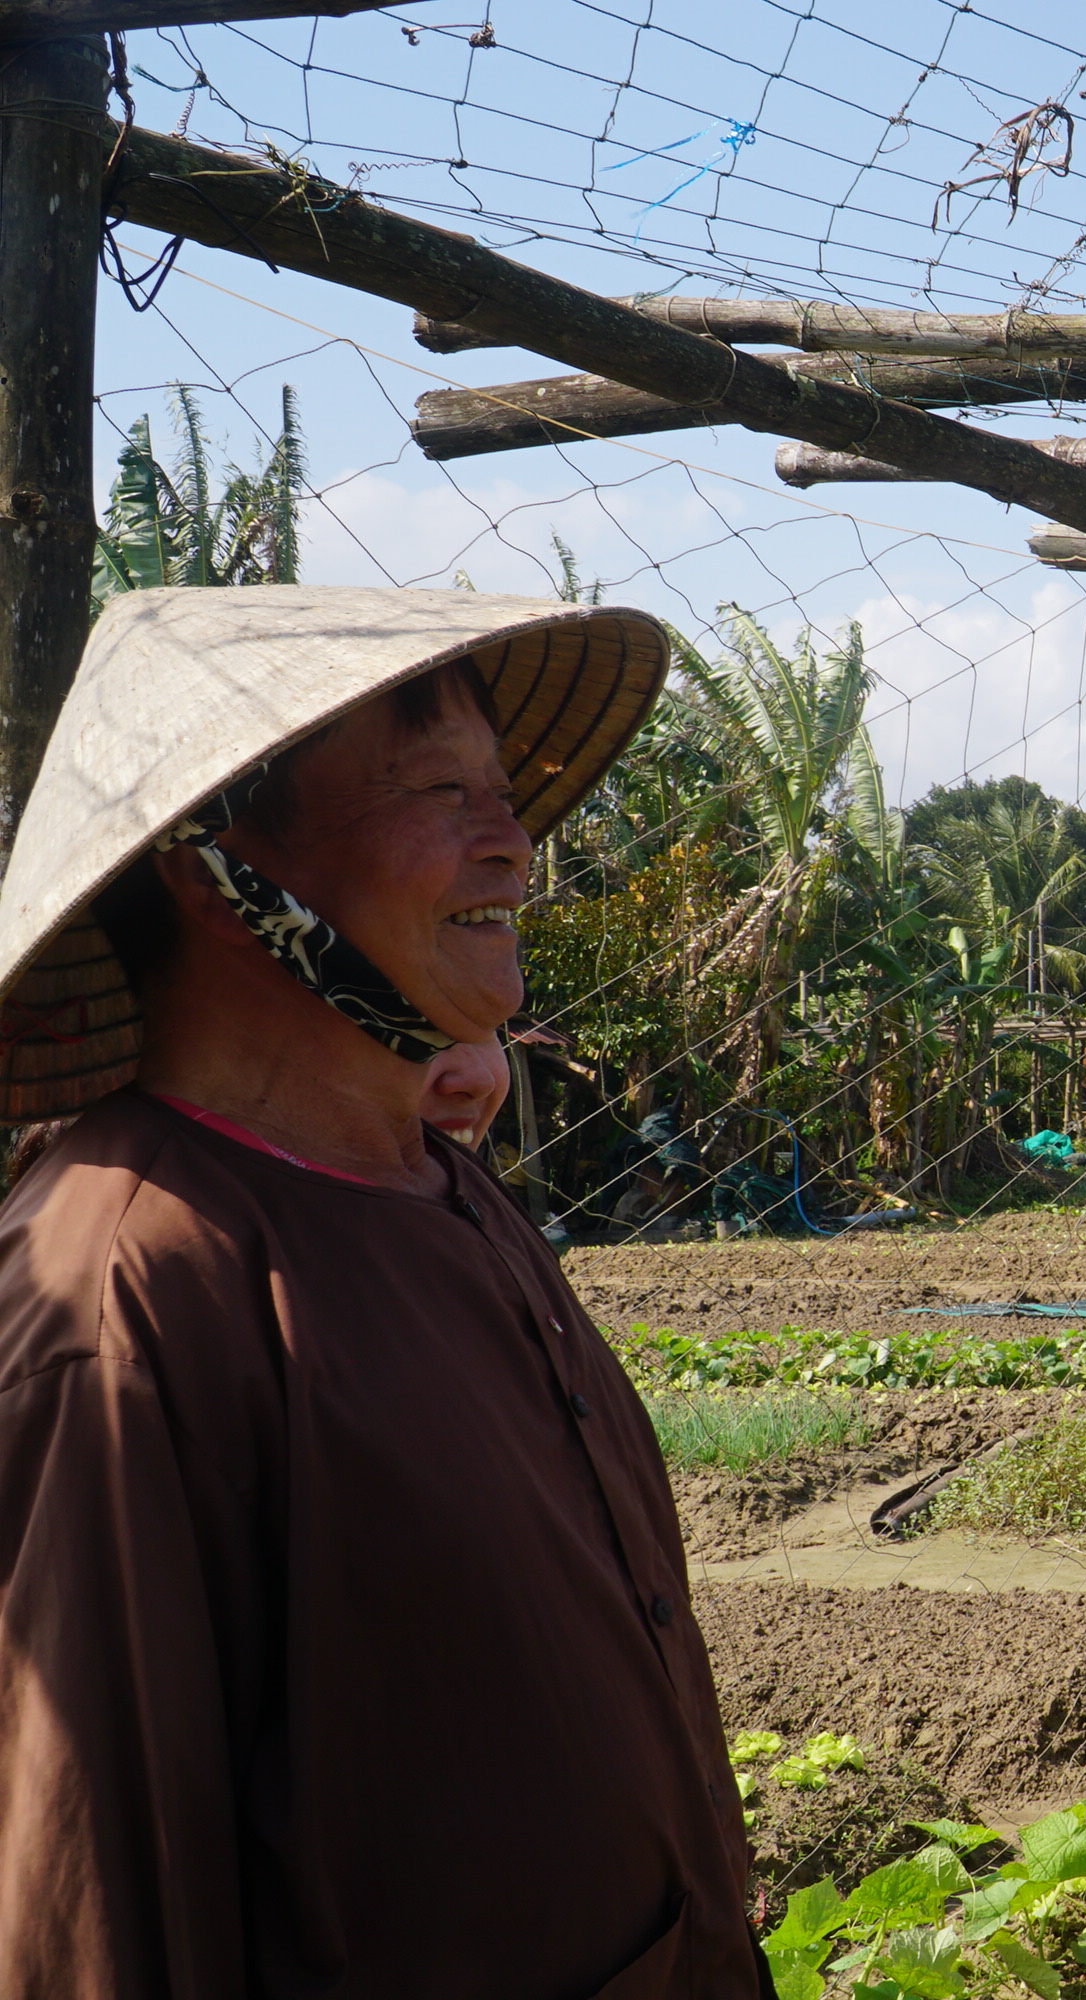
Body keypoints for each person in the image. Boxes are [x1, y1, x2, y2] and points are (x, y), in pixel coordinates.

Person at [0, 586, 759, 1993]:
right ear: (215, 869)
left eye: (504, 793)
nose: (513, 843)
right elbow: (100, 1905)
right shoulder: (128, 1293)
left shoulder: (447, 1189)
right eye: (437, 789)